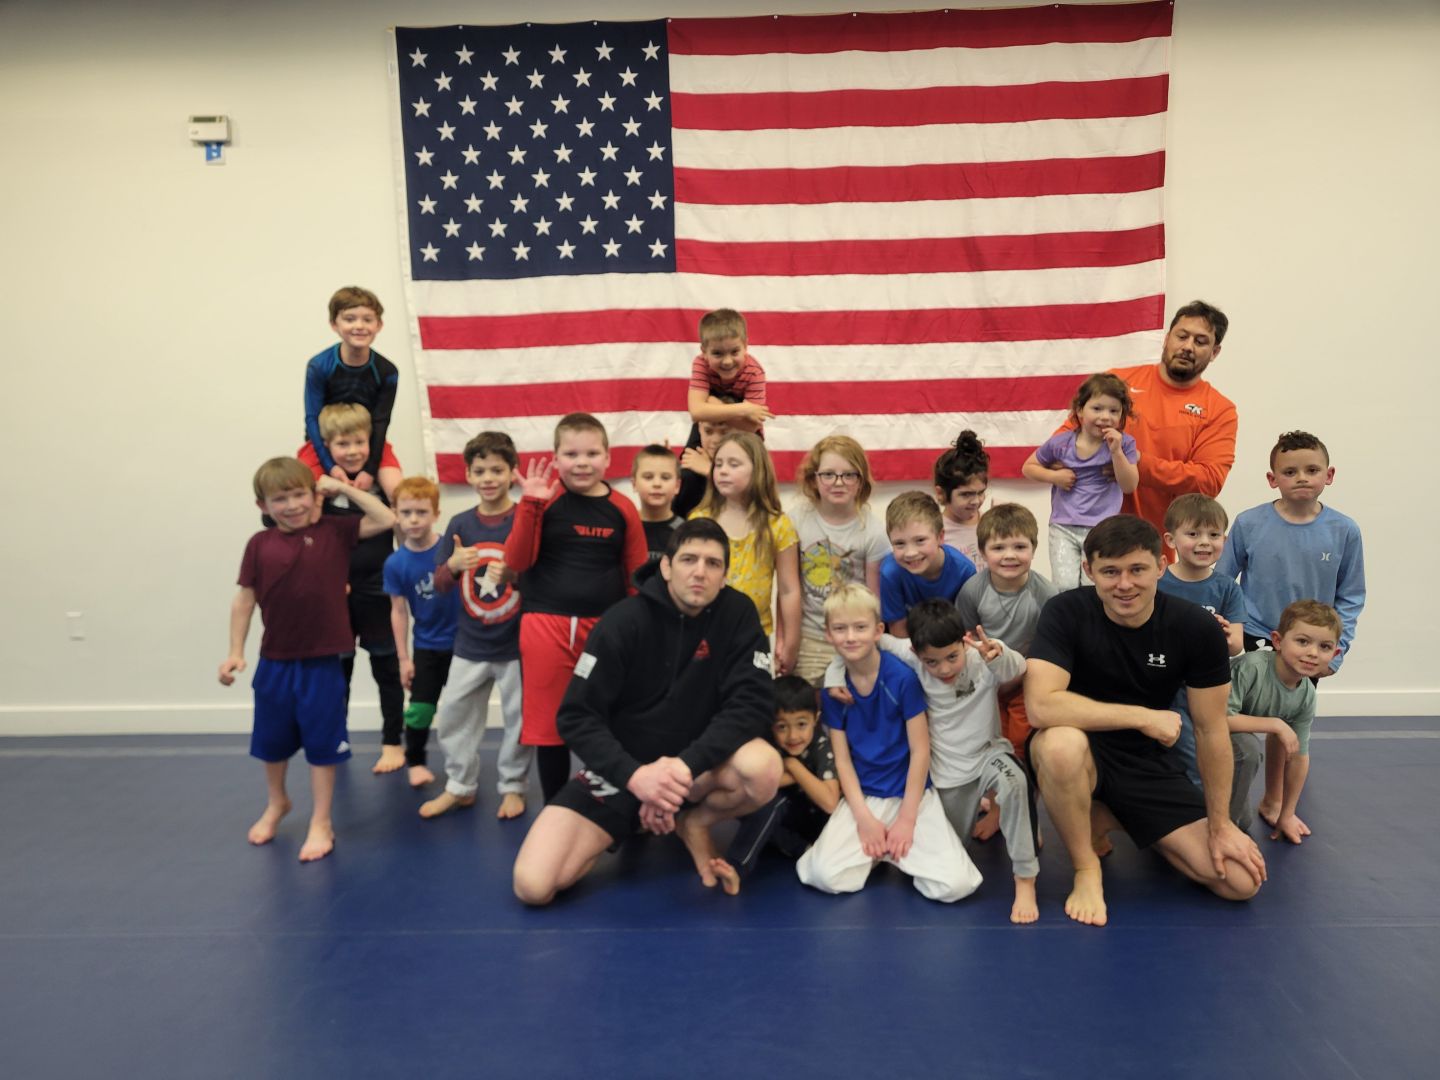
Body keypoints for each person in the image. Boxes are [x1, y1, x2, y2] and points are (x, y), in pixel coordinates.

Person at [511, 519, 782, 905]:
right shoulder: (622, 621)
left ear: (724, 575)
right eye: (689, 559)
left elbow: (752, 704)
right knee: (533, 886)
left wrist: (683, 768)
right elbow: (576, 717)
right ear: (666, 566)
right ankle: (628, 823)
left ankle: (692, 821)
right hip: (625, 774)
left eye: (713, 563)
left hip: (694, 773)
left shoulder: (738, 614)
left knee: (763, 768)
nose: (700, 572)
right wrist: (637, 778)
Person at [1024, 514, 1266, 926]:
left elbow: (1211, 730)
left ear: (1160, 565)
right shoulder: (1065, 611)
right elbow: (1041, 707)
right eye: (1110, 571)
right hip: (1079, 749)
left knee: (1240, 882)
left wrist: (1221, 824)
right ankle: (1086, 868)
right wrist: (1142, 717)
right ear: (1088, 571)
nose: (1124, 584)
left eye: (1137, 569)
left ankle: (1106, 817)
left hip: (1145, 761)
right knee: (1060, 744)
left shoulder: (1195, 628)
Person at [218, 457, 396, 862]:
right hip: (275, 661)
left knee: (323, 744)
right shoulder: (258, 545)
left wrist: (344, 488)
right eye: (280, 499)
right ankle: (277, 802)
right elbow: (244, 600)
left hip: (322, 662)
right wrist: (235, 652)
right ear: (263, 506)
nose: (292, 505)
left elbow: (386, 519)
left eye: (300, 495)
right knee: (271, 742)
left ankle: (321, 820)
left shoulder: (334, 531)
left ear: (315, 496)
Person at [824, 599, 1037, 921]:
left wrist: (1000, 652)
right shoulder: (909, 655)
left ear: (965, 640)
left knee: (1015, 781)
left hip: (987, 754)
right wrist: (834, 673)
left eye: (952, 657)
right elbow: (863, 641)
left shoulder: (982, 657)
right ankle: (985, 811)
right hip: (946, 773)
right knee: (952, 854)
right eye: (932, 662)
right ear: (915, 652)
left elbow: (1017, 668)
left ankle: (1025, 879)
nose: (945, 669)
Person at [796, 584, 982, 902]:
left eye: (860, 627)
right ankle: (878, 851)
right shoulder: (834, 691)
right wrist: (864, 820)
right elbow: (842, 760)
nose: (850, 637)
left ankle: (896, 851)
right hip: (864, 796)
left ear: (878, 631)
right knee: (823, 874)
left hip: (911, 795)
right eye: (840, 629)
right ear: (828, 634)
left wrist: (907, 820)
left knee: (956, 885)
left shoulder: (901, 679)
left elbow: (920, 751)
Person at [505, 413, 649, 802]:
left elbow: (636, 576)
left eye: (591, 453)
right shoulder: (542, 500)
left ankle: (609, 806)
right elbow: (516, 562)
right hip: (544, 626)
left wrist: (636, 633)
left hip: (604, 629)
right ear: (555, 458)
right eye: (571, 454)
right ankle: (555, 808)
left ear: (608, 458)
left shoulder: (623, 508)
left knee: (606, 719)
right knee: (549, 724)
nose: (581, 462)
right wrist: (530, 504)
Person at [1079, 300, 1236, 558]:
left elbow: (1208, 480)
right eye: (1182, 336)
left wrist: (1136, 461)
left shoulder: (1219, 409)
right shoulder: (1117, 383)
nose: (1188, 347)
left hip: (1159, 547)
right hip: (1093, 534)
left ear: (1214, 352)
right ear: (1166, 338)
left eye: (1200, 341)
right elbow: (1068, 440)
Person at [427, 432, 529, 820]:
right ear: (468, 475)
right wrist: (453, 566)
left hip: (516, 643)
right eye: (480, 471)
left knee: (519, 718)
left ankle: (513, 785)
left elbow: (545, 578)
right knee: (455, 713)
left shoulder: (525, 520)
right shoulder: (461, 523)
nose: (488, 478)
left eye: (497, 470)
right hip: (470, 642)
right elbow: (439, 583)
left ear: (512, 472)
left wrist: (514, 575)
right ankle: (460, 784)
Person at [1216, 431, 1365, 676]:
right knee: (1257, 698)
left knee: (1297, 700)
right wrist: (1225, 632)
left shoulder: (1345, 531)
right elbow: (1222, 582)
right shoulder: (1248, 523)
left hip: (1312, 642)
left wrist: (1336, 652)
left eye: (1312, 470)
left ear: (1329, 475)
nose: (1302, 478)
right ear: (1272, 479)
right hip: (1257, 634)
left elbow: (1351, 596)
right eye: (1290, 472)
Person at [1155, 493, 1257, 826]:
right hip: (1168, 687)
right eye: (1193, 534)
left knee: (1218, 752)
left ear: (1224, 540)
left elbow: (1236, 646)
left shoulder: (1227, 588)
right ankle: (1195, 818)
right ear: (1171, 539)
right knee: (1186, 752)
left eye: (1213, 535)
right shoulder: (1158, 583)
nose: (1204, 542)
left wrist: (1221, 636)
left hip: (1208, 690)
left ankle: (1213, 817)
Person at [316, 404, 405, 775]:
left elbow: (398, 521)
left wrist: (345, 487)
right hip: (335, 593)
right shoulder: (317, 487)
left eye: (359, 442)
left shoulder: (382, 483)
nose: (352, 451)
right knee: (338, 671)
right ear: (326, 447)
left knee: (386, 667)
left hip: (377, 589)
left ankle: (392, 742)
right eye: (342, 444)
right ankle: (336, 737)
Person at [689, 431, 802, 676]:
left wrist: (790, 643)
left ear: (757, 470)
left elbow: (789, 589)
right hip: (704, 633)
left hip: (756, 634)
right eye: (718, 464)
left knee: (751, 695)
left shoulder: (778, 525)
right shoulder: (700, 520)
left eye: (734, 464)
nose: (723, 471)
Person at [712, 675, 840, 889]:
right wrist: (797, 776)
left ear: (816, 719)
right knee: (755, 800)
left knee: (775, 800)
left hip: (814, 822)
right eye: (782, 727)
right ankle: (736, 869)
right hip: (782, 820)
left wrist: (792, 765)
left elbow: (830, 802)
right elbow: (749, 786)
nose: (793, 736)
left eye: (801, 724)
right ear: (770, 725)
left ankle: (806, 849)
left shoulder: (821, 745)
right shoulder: (765, 744)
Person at [1231, 600, 1341, 844]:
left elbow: (1298, 756)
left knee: (1243, 821)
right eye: (1303, 641)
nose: (1313, 653)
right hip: (1193, 729)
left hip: (1230, 736)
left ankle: (1271, 804)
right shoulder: (1251, 668)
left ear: (1334, 655)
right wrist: (1275, 724)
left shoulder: (1306, 694)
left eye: (1324, 646)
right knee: (1248, 748)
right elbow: (1215, 719)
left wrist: (1287, 813)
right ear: (1278, 641)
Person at [956, 503, 1056, 765]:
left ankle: (1023, 777)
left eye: (1019, 547)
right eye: (998, 548)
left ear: (1034, 548)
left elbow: (1049, 650)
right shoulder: (972, 590)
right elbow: (966, 639)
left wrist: (1018, 676)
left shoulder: (1046, 594)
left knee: (1021, 738)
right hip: (987, 677)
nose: (1009, 555)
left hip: (1026, 679)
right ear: (982, 552)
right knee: (990, 734)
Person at [1023, 373, 1140, 589]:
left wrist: (1116, 453)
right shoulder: (1061, 443)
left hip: (1103, 528)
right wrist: (1054, 477)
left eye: (1114, 411)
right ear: (1079, 410)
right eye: (1097, 408)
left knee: (1093, 586)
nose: (1105, 417)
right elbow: (1028, 467)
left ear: (1122, 415)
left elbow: (1129, 485)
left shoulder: (1124, 444)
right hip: (1064, 526)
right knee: (1064, 585)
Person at [789, 435, 890, 684]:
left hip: (854, 638)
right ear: (814, 478)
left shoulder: (873, 531)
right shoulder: (796, 520)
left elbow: (874, 600)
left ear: (860, 480)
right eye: (828, 474)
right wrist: (788, 641)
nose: (838, 482)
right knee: (808, 703)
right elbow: (788, 588)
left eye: (848, 475)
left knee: (852, 700)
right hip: (811, 637)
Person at [382, 476, 458, 789]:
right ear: (396, 514)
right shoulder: (396, 563)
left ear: (436, 514)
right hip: (427, 647)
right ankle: (416, 761)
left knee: (459, 712)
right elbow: (398, 611)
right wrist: (403, 658)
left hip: (464, 645)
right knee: (420, 709)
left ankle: (460, 767)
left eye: (421, 512)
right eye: (407, 512)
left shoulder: (451, 550)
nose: (413, 520)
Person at [300, 286, 403, 500]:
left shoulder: (387, 371)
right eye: (349, 319)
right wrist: (330, 466)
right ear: (334, 324)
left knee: (400, 494)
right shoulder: (319, 366)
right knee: (303, 493)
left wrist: (370, 469)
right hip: (323, 442)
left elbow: (381, 420)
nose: (359, 326)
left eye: (367, 319)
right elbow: (312, 418)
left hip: (367, 441)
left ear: (379, 325)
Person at [877, 490, 976, 639]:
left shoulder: (964, 571)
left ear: (940, 537)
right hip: (908, 644)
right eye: (899, 543)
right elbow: (898, 633)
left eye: (920, 540)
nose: (910, 553)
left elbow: (967, 629)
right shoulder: (890, 572)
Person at [687, 308, 772, 434]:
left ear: (745, 346)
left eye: (734, 352)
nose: (727, 361)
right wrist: (744, 409)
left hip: (743, 436)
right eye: (717, 353)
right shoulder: (702, 363)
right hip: (709, 431)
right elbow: (696, 412)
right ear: (704, 352)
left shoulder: (754, 372)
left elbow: (751, 427)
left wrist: (712, 403)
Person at [932, 429, 990, 567]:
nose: (976, 501)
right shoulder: (934, 533)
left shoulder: (991, 524)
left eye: (981, 493)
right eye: (966, 494)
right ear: (941, 493)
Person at [631, 443, 683, 566]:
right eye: (648, 477)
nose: (657, 484)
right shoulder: (625, 526)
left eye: (665, 477)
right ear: (634, 484)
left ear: (677, 486)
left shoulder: (684, 531)